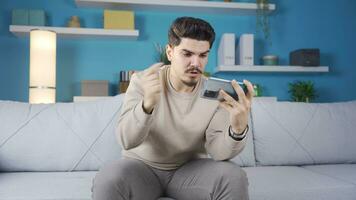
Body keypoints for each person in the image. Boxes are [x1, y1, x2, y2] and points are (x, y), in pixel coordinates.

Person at [92, 16, 254, 200]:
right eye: (187, 54)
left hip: (190, 172)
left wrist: (237, 130)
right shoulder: (143, 81)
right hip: (141, 169)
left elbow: (218, 152)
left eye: (203, 55)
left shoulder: (214, 93)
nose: (196, 63)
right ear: (170, 52)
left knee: (233, 176)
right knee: (108, 178)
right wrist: (147, 106)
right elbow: (126, 140)